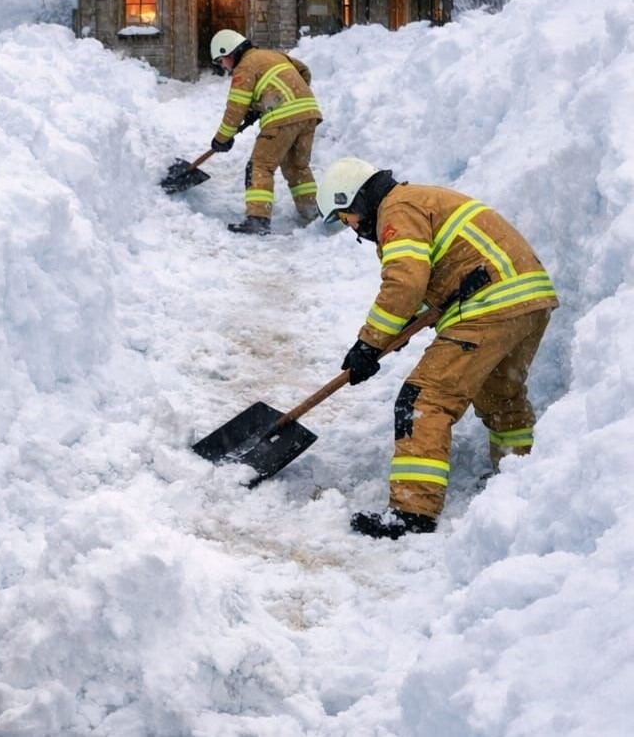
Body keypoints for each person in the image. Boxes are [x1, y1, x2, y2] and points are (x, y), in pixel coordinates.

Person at [316, 158, 558, 539]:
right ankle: (519, 477)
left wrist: (368, 343)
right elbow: (425, 290)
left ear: (357, 199)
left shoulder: (397, 209)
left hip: (487, 305)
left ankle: (412, 513)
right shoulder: (420, 200)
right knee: (502, 395)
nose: (351, 227)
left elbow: (404, 283)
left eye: (344, 216)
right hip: (527, 302)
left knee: (423, 402)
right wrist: (387, 340)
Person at [208, 29, 323, 236]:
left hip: (282, 118)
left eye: (220, 61)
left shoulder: (244, 68)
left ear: (229, 53)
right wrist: (268, 102)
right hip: (308, 112)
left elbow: (235, 108)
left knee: (260, 165)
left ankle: (258, 219)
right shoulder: (273, 55)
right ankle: (311, 213)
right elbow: (304, 71)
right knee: (297, 167)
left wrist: (221, 139)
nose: (223, 67)